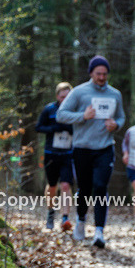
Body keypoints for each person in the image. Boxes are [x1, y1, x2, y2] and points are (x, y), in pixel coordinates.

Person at [56, 56, 125, 249]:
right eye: (98, 74)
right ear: (91, 73)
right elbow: (61, 114)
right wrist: (82, 116)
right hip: (82, 148)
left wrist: (116, 124)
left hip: (105, 148)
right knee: (85, 189)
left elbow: (121, 116)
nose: (102, 77)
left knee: (100, 186)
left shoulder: (115, 94)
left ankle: (99, 232)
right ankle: (80, 220)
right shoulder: (79, 92)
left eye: (104, 74)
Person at [35, 82, 75, 231]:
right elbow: (38, 127)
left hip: (68, 154)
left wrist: (70, 129)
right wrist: (54, 128)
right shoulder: (49, 109)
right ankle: (51, 213)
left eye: (68, 96)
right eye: (63, 96)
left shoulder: (75, 110)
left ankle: (65, 218)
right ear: (57, 96)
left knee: (65, 185)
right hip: (51, 154)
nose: (65, 99)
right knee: (52, 186)